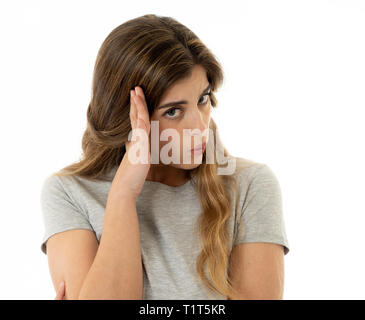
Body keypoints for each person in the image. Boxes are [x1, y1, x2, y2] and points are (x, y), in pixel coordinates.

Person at [41, 14, 290, 300]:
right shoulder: (69, 193)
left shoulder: (251, 185)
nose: (199, 127)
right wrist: (123, 193)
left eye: (203, 99)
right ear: (128, 118)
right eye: (173, 111)